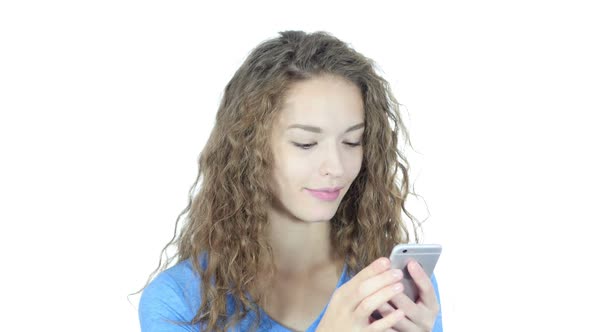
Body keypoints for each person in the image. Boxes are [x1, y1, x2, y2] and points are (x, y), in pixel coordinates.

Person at [136, 30, 443, 332]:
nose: (335, 167)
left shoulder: (392, 287)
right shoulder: (178, 301)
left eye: (352, 142)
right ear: (249, 148)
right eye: (306, 143)